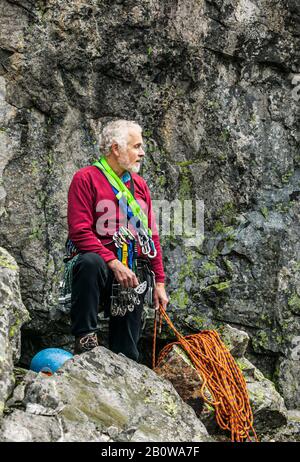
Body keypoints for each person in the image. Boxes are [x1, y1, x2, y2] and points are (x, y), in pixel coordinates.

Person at [67, 119, 169, 361]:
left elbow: (150, 235)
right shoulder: (86, 179)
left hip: (132, 275)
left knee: (128, 354)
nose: (142, 153)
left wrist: (160, 282)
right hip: (100, 271)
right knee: (90, 262)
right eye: (136, 146)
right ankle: (85, 338)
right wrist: (113, 262)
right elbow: (79, 231)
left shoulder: (139, 186)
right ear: (116, 148)